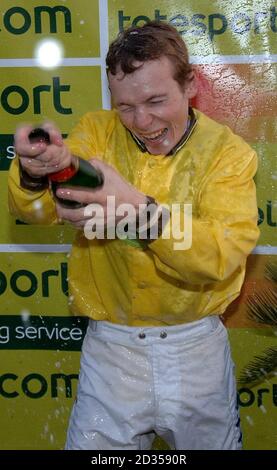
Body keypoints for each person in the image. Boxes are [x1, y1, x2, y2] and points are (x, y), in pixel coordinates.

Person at [8, 21, 259, 450]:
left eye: (156, 100)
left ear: (192, 85)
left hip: (196, 351)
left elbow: (219, 255)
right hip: (112, 351)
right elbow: (41, 211)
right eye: (125, 106)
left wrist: (138, 212)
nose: (142, 120)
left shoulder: (228, 155)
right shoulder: (97, 131)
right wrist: (40, 174)